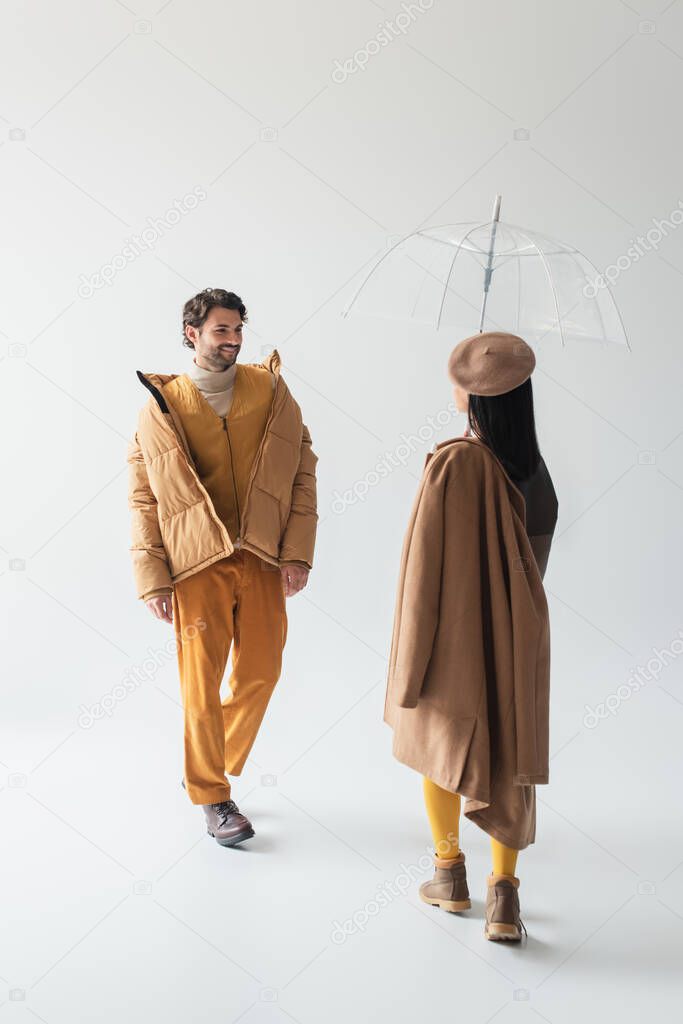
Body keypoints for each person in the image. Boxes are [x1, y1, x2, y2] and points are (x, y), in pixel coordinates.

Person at [126, 288, 318, 848]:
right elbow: (142, 497)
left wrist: (297, 551)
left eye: (238, 331)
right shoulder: (162, 406)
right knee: (200, 686)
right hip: (194, 564)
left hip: (260, 555)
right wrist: (152, 577)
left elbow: (303, 470)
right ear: (193, 333)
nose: (232, 341)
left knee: (262, 669)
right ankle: (212, 796)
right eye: (220, 331)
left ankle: (209, 761)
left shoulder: (270, 390)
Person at [384, 331, 558, 942]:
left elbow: (422, 568)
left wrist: (410, 656)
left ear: (476, 398)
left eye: (458, 381)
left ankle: (449, 874)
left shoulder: (455, 463)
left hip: (452, 634)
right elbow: (530, 571)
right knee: (511, 755)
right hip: (517, 640)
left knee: (443, 741)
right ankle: (503, 900)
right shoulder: (537, 475)